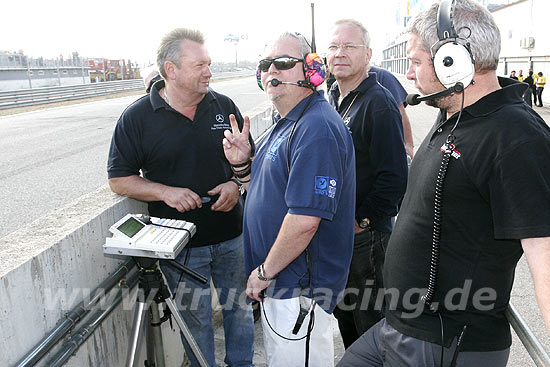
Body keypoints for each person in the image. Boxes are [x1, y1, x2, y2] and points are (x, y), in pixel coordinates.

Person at [338, 1, 550, 366]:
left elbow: (543, 250)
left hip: (446, 343)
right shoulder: (455, 112)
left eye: (416, 61)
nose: (408, 74)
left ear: (453, 60)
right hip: (398, 327)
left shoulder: (516, 137)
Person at [107, 28, 255, 367]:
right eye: (199, 65)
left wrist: (235, 185)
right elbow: (118, 179)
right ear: (170, 70)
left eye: (209, 63)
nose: (209, 72)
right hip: (180, 248)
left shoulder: (224, 105)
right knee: (196, 322)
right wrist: (164, 191)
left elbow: (248, 161)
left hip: (232, 235)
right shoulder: (137, 118)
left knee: (240, 311)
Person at [222, 32, 356, 367]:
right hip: (282, 285)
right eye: (265, 65)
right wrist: (241, 164)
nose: (271, 71)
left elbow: (305, 221)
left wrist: (265, 272)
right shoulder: (287, 124)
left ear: (311, 70)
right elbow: (266, 194)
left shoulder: (317, 129)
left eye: (282, 63)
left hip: (298, 291)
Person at [325, 19, 409, 350]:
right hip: (338, 234)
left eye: (349, 47)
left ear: (368, 54)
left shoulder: (378, 102)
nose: (339, 53)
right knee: (345, 316)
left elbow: (395, 175)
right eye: (333, 47)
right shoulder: (332, 96)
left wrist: (363, 221)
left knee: (371, 325)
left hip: (367, 238)